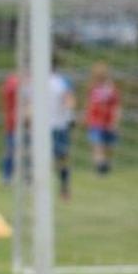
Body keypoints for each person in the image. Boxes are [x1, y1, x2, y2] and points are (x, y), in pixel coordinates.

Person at [85, 61, 121, 175]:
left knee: (108, 146)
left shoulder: (111, 89)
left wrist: (115, 121)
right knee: (97, 145)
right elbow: (90, 104)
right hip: (96, 122)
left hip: (108, 122)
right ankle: (100, 167)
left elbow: (116, 106)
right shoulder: (92, 88)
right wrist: (87, 117)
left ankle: (106, 164)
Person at [51, 67, 76, 200]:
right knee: (61, 158)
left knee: (59, 158)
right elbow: (70, 101)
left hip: (55, 126)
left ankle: (64, 187)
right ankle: (64, 188)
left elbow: (69, 100)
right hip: (58, 126)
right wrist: (71, 117)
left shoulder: (61, 81)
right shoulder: (63, 81)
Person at [0, 70, 20, 187]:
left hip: (27, 124)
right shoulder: (12, 80)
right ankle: (7, 177)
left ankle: (26, 177)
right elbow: (7, 92)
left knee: (26, 151)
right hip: (13, 123)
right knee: (10, 150)